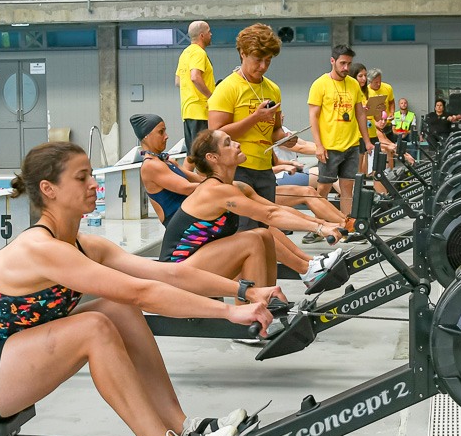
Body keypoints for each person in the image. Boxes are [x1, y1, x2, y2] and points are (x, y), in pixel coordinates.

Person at [0, 141, 278, 436]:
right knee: (93, 327)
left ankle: (181, 427)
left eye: (92, 175)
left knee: (116, 309)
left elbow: (168, 274)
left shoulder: (83, 245)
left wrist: (245, 291)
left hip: (5, 361)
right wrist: (228, 312)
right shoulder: (40, 249)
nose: (94, 184)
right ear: (48, 190)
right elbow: (141, 292)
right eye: (81, 178)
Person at [160, 129, 344, 277]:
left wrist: (327, 224)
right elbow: (269, 215)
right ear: (213, 158)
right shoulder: (216, 191)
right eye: (228, 143)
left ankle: (273, 298)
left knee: (263, 233)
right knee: (251, 240)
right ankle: (302, 274)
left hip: (199, 260)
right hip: (176, 270)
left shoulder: (237, 186)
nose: (237, 144)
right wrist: (320, 230)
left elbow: (274, 209)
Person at [206, 23, 284, 230]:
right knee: (245, 231)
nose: (263, 67)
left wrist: (286, 138)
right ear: (242, 53)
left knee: (266, 229)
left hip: (265, 169)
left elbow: (275, 130)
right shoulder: (227, 88)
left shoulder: (273, 89)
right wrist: (255, 118)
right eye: (258, 60)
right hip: (238, 169)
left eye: (268, 61)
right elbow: (215, 133)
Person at [308, 44, 373, 218]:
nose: (346, 68)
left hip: (351, 146)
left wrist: (367, 141)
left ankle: (348, 225)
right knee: (323, 188)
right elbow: (313, 117)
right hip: (330, 147)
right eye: (342, 63)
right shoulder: (320, 84)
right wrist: (319, 146)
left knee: (347, 189)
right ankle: (318, 226)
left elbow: (360, 114)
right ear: (332, 61)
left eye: (349, 64)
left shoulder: (353, 84)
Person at [130, 114, 197, 224]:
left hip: (191, 216)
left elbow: (197, 178)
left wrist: (226, 183)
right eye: (161, 132)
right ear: (146, 136)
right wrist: (220, 186)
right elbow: (186, 188)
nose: (166, 136)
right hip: (182, 226)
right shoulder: (150, 166)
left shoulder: (167, 161)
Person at [175, 20, 215, 151]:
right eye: (209, 32)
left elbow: (178, 82)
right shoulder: (199, 53)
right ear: (202, 35)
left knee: (193, 154)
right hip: (200, 112)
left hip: (187, 111)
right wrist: (212, 97)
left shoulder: (185, 53)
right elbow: (195, 77)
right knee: (204, 154)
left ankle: (185, 172)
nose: (211, 34)